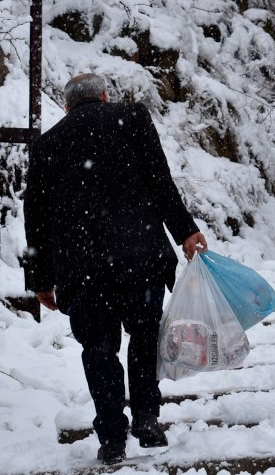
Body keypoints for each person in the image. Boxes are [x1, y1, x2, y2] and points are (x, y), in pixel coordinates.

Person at [23, 72, 208, 466]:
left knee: (99, 348)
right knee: (144, 333)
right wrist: (186, 231)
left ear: (68, 106)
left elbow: (35, 219)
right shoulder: (132, 117)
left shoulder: (47, 144)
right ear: (105, 97)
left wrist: (40, 281)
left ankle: (110, 435)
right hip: (138, 255)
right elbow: (160, 180)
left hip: (83, 269)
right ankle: (146, 417)